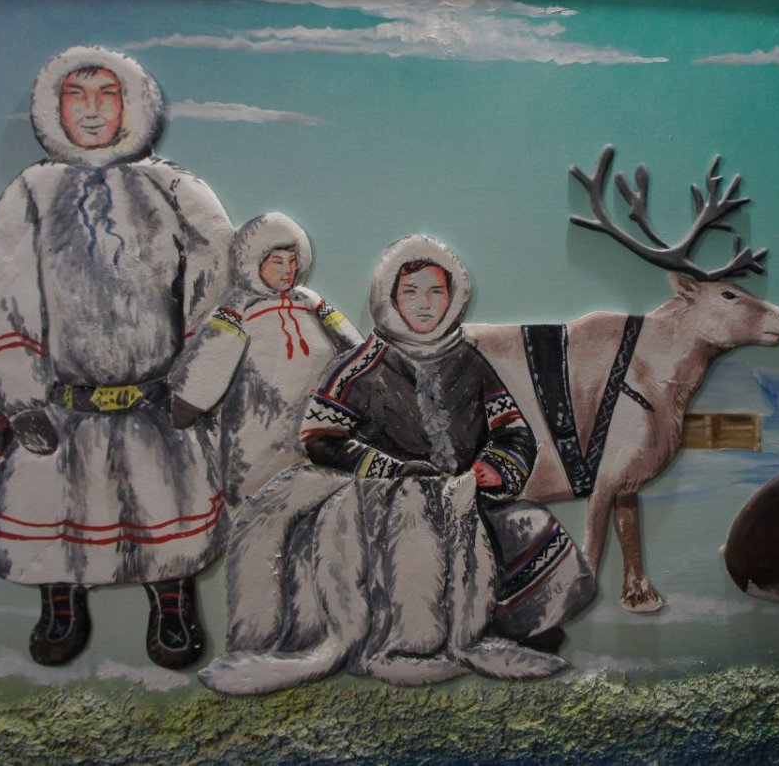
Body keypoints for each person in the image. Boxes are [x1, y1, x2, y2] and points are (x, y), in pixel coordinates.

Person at [200, 235, 592, 695]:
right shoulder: (362, 365)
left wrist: (497, 466)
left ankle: (527, 624)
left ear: (453, 297)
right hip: (385, 497)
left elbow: (513, 431)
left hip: (464, 491)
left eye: (436, 291)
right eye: (411, 292)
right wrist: (391, 470)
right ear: (390, 296)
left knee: (530, 526)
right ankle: (410, 639)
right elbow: (321, 437)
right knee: (413, 532)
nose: (425, 304)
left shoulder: (469, 361)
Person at [0, 46, 234, 669]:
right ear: (53, 106)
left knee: (162, 502)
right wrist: (18, 396)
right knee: (55, 506)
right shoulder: (31, 194)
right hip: (62, 402)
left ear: (133, 105)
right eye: (76, 95)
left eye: (107, 94)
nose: (91, 110)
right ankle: (60, 602)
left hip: (156, 401)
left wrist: (197, 384)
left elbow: (219, 290)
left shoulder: (175, 189)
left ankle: (171, 600)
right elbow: (3, 296)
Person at [168, 212, 362, 506]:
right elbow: (214, 354)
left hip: (316, 426)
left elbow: (354, 347)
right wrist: (191, 401)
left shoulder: (309, 302)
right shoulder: (238, 307)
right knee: (262, 501)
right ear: (253, 261)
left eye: (292, 261)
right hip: (258, 429)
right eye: (277, 262)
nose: (287, 270)